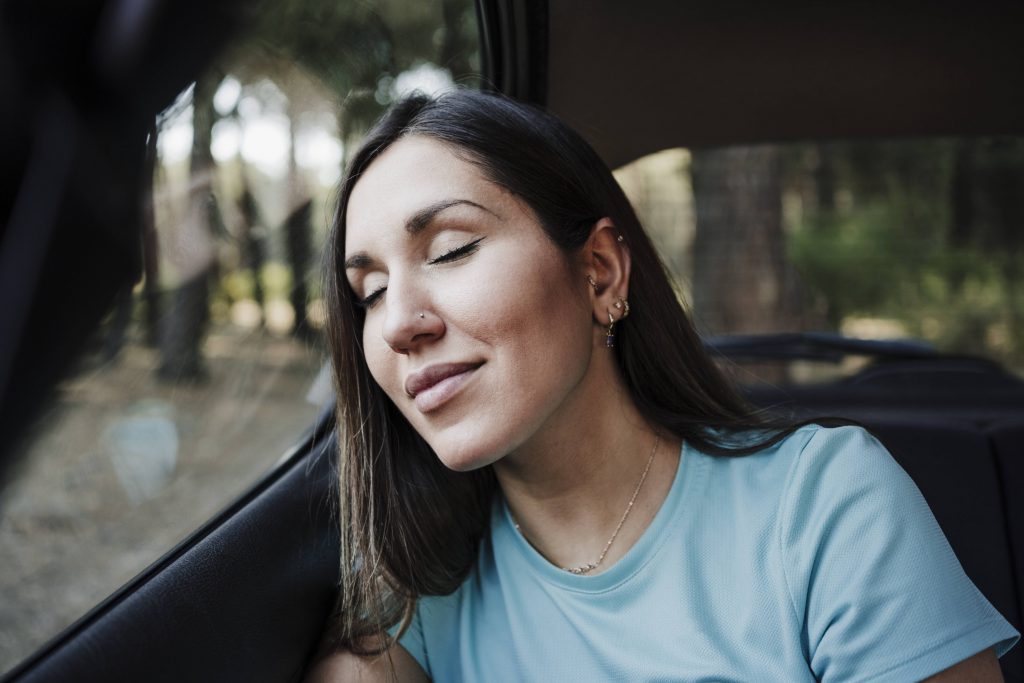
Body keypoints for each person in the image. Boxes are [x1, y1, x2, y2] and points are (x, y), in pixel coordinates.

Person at [308, 90, 1018, 681]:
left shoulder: (825, 507)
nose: (399, 321)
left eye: (450, 249)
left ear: (601, 273)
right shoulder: (415, 596)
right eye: (368, 291)